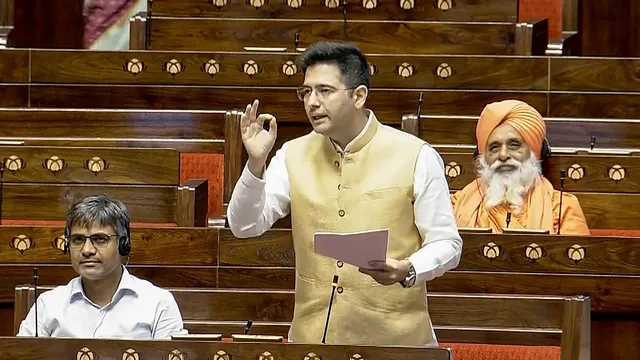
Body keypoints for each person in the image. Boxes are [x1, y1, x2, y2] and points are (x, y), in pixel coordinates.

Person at [227, 41, 462, 346]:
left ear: (358, 96)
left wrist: (408, 269)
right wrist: (256, 163)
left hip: (397, 342)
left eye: (324, 91)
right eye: (306, 92)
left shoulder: (416, 155)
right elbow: (244, 226)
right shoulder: (291, 154)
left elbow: (447, 243)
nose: (312, 102)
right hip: (312, 342)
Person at [17, 194, 187, 339]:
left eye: (100, 239)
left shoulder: (158, 303)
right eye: (78, 240)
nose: (87, 250)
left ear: (123, 244)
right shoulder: (48, 305)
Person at [451, 100, 590, 235]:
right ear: (482, 157)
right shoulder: (454, 205)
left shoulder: (562, 207)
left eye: (514, 145)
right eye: (494, 147)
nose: (503, 155)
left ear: (535, 152)